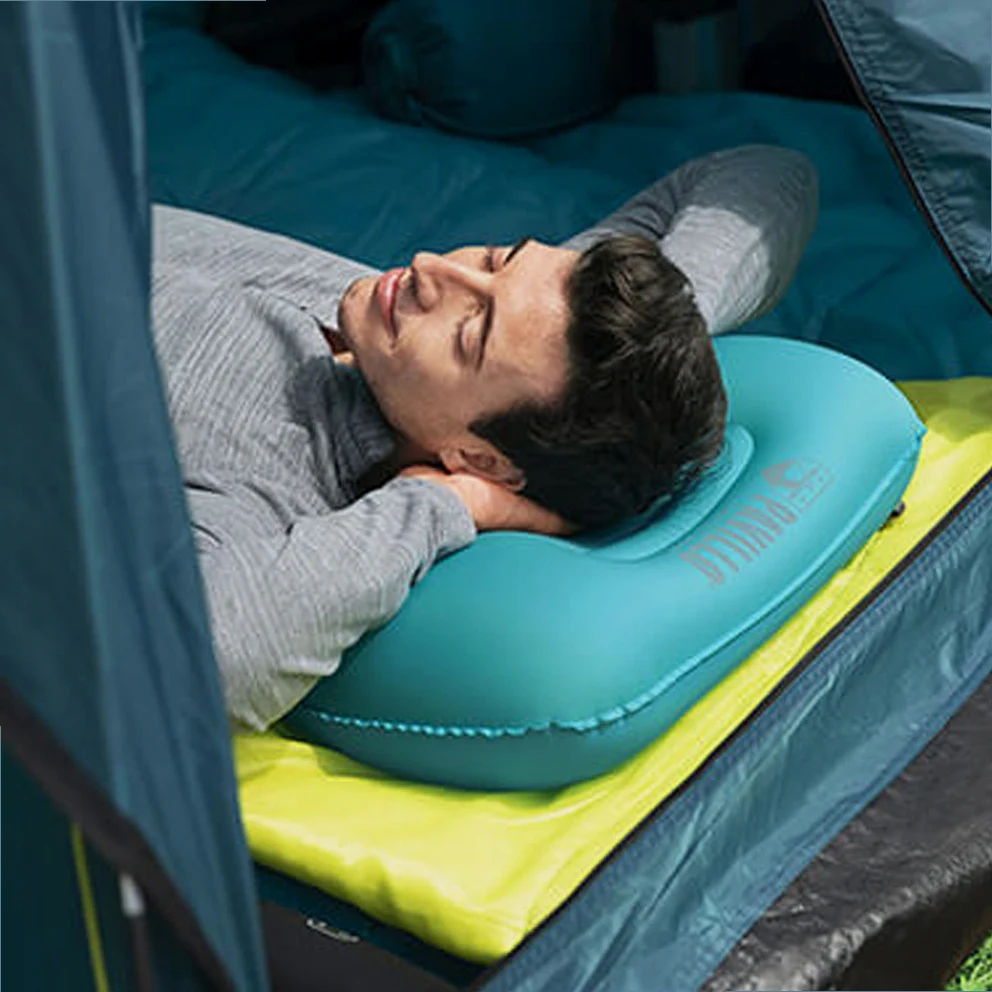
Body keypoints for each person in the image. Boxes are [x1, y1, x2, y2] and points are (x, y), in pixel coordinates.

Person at [151, 144, 818, 731]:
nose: (433, 269)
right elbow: (771, 173)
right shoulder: (540, 326)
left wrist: (442, 504)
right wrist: (667, 329)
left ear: (480, 459)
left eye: (470, 332)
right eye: (499, 259)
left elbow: (194, 664)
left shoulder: (264, 489)